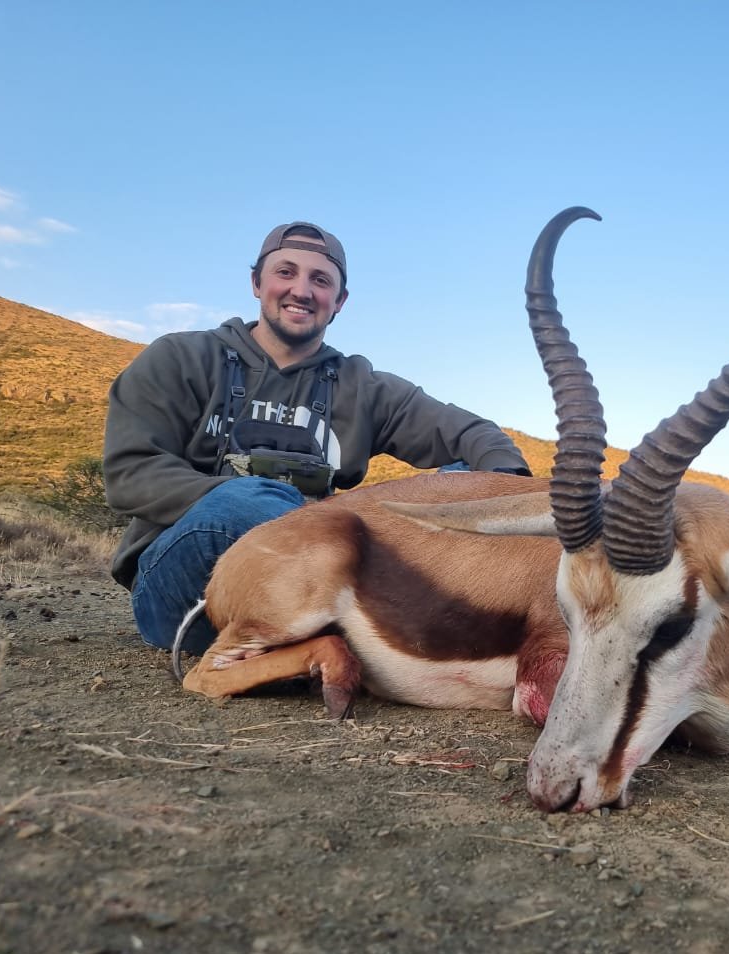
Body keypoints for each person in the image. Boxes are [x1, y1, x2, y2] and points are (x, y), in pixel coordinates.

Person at [103, 221, 530, 655]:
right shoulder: (180, 358)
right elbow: (131, 473)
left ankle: (391, 640)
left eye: (320, 280)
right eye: (285, 272)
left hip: (317, 578)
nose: (301, 291)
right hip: (188, 582)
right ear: (257, 283)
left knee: (458, 485)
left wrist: (502, 488)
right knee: (240, 502)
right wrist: (298, 518)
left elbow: (479, 435)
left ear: (339, 301)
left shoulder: (360, 385)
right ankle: (389, 628)